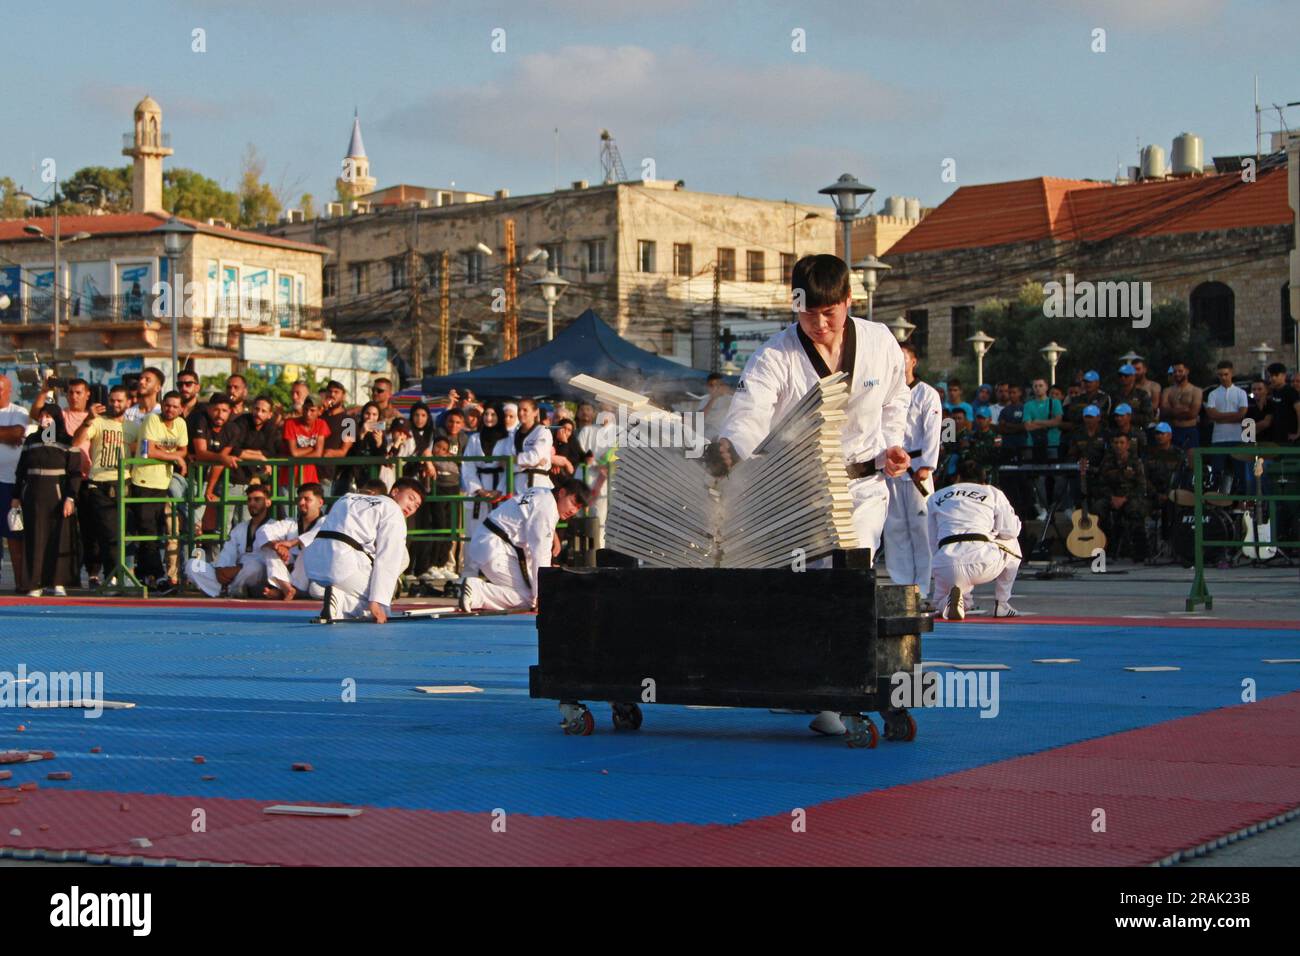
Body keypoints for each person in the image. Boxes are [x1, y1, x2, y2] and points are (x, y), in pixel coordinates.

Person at [714, 254, 909, 739]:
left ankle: (842, 685)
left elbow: (895, 398)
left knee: (849, 575)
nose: (820, 324)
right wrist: (729, 447)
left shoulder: (880, 341)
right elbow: (750, 412)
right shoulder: (774, 356)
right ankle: (822, 688)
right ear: (793, 305)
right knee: (812, 586)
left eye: (830, 312)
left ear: (848, 302)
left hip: (862, 486)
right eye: (808, 313)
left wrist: (893, 443)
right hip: (799, 490)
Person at [301, 476, 427, 623]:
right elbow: (388, 559)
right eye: (411, 498)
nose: (412, 507)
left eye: (417, 505)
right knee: (383, 605)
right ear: (395, 492)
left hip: (314, 564)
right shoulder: (393, 510)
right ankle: (341, 598)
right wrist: (377, 601)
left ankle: (333, 595)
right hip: (343, 566)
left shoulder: (347, 498)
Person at [459, 478, 590, 613]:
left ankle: (476, 592)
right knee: (530, 598)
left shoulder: (543, 493)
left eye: (578, 508)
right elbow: (540, 554)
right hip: (495, 547)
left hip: (493, 543)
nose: (573, 510)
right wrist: (541, 596)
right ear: (562, 492)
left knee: (531, 591)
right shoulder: (545, 508)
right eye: (573, 503)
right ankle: (477, 591)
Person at [883, 340, 941, 605]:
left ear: (914, 361)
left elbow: (932, 430)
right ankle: (901, 584)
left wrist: (927, 464)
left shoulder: (927, 393)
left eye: (904, 356)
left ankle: (924, 587)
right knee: (895, 527)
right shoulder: (887, 391)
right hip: (892, 467)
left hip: (918, 467)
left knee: (921, 528)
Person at [928, 459, 1022, 620]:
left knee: (940, 603)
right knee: (1012, 543)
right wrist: (994, 533)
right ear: (984, 480)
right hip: (981, 563)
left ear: (957, 478)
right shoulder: (992, 492)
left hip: (944, 563)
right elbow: (1010, 531)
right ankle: (1002, 604)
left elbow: (930, 539)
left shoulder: (935, 497)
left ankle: (949, 602)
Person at [72, 385, 140, 588]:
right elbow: (76, 441)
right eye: (112, 400)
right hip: (100, 483)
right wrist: (88, 419)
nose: (115, 404)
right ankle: (112, 575)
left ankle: (123, 574)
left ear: (128, 403)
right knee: (108, 531)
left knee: (125, 531)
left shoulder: (134, 427)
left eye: (119, 400)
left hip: (125, 482)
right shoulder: (98, 422)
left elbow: (144, 450)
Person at [12, 408, 82, 596]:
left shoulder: (67, 440)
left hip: (57, 496)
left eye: (49, 416)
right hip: (33, 496)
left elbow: (75, 473)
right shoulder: (32, 440)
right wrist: (16, 496)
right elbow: (21, 471)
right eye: (42, 416)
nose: (44, 419)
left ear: (57, 418)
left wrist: (70, 497)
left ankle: (57, 582)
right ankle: (35, 583)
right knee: (35, 538)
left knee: (58, 538)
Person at [131, 390, 188, 593]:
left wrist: (174, 456)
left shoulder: (180, 424)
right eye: (167, 405)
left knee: (160, 531)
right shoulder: (151, 419)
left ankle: (150, 575)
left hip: (163, 483)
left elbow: (184, 450)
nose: (170, 409)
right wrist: (173, 457)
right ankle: (158, 576)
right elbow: (149, 451)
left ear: (181, 409)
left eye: (175, 406)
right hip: (144, 481)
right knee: (148, 531)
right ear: (162, 404)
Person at [185, 481, 276, 597]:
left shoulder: (275, 527)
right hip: (231, 574)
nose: (252, 503)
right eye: (249, 500)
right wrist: (220, 569)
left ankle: (226, 590)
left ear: (268, 502)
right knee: (192, 565)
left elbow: (267, 560)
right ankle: (229, 590)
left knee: (255, 568)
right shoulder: (240, 528)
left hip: (253, 574)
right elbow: (228, 552)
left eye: (257, 499)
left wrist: (238, 569)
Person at [259, 482, 328, 601]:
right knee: (269, 549)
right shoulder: (291, 523)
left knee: (316, 591)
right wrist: (276, 546)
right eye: (299, 499)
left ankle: (283, 592)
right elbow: (263, 530)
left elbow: (316, 533)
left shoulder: (327, 521)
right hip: (289, 574)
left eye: (307, 499)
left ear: (320, 503)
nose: (301, 503)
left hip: (313, 575)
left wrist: (291, 543)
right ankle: (287, 589)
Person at [461, 405, 510, 557]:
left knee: (498, 532)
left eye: (493, 414)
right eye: (486, 414)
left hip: (499, 489)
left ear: (499, 417)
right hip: (479, 489)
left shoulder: (508, 439)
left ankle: (494, 571)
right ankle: (471, 572)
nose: (489, 418)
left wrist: (499, 490)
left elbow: (510, 466)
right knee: (474, 532)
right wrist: (479, 489)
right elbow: (467, 465)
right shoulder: (475, 438)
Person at [0, 374, 32, 587]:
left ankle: (21, 583)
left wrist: (10, 434)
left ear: (8, 390)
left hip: (10, 482)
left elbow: (17, 434)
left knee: (14, 534)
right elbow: (8, 435)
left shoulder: (18, 412)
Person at [1097, 433, 1148, 562]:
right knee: (1098, 508)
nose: (1118, 445)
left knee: (1135, 509)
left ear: (1128, 445)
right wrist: (1112, 497)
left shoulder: (1136, 462)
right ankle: (1106, 547)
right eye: (1115, 442)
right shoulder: (1107, 462)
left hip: (1130, 497)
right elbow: (1100, 484)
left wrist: (1125, 498)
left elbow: (1141, 487)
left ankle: (1140, 551)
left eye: (1121, 442)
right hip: (1111, 497)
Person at [500, 398, 559, 491]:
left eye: (525, 410)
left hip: (537, 483)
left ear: (535, 412)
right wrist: (530, 463)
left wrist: (514, 459)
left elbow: (535, 457)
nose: (521, 413)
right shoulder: (513, 433)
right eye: (519, 410)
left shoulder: (542, 431)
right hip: (515, 484)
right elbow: (504, 461)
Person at [283, 398, 331, 486]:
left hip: (310, 478)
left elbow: (318, 454)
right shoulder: (290, 423)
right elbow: (294, 453)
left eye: (312, 410)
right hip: (289, 478)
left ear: (319, 411)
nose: (308, 413)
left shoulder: (321, 424)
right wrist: (312, 448)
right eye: (305, 409)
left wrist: (302, 454)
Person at [318, 380, 355, 493]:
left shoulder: (349, 421)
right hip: (312, 471)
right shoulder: (319, 417)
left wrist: (327, 453)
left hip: (332, 474)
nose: (332, 395)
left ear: (343, 396)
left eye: (336, 392)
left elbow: (344, 450)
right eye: (330, 392)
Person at [1160, 361, 1202, 451]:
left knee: (1192, 461)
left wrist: (1172, 411)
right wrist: (1184, 410)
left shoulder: (1196, 391)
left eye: (1180, 371)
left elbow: (1193, 413)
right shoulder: (1167, 391)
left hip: (1190, 430)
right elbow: (1163, 411)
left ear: (1187, 371)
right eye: (1174, 372)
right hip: (1172, 430)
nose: (1177, 374)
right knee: (1172, 461)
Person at [1111, 364, 1154, 431]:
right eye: (1120, 375)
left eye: (1126, 376)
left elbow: (1148, 417)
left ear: (1133, 376)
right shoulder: (1114, 395)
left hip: (1137, 431)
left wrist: (1128, 418)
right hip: (1117, 432)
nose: (1123, 378)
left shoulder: (1142, 395)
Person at [699, 372, 734, 442]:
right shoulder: (705, 400)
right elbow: (700, 418)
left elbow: (743, 399)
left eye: (718, 385)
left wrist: (729, 391)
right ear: (708, 387)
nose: (715, 388)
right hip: (708, 434)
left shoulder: (730, 399)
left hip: (725, 433)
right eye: (712, 385)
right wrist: (713, 398)